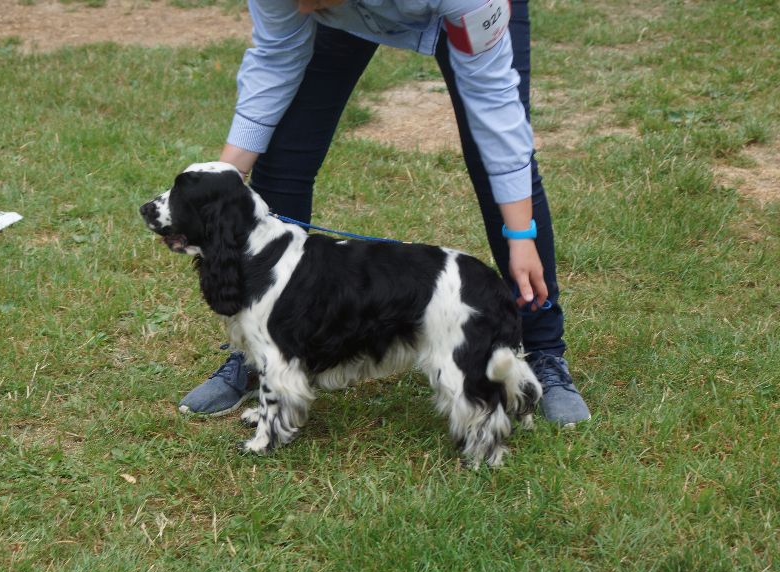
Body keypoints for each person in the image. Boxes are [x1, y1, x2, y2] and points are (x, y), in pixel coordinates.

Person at [178, 0, 591, 426]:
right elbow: (275, 58)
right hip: (344, 15)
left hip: (457, 11)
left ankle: (543, 351)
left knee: (497, 174)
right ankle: (264, 352)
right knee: (284, 155)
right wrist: (227, 180)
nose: (297, 5)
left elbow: (496, 107)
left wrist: (521, 237)